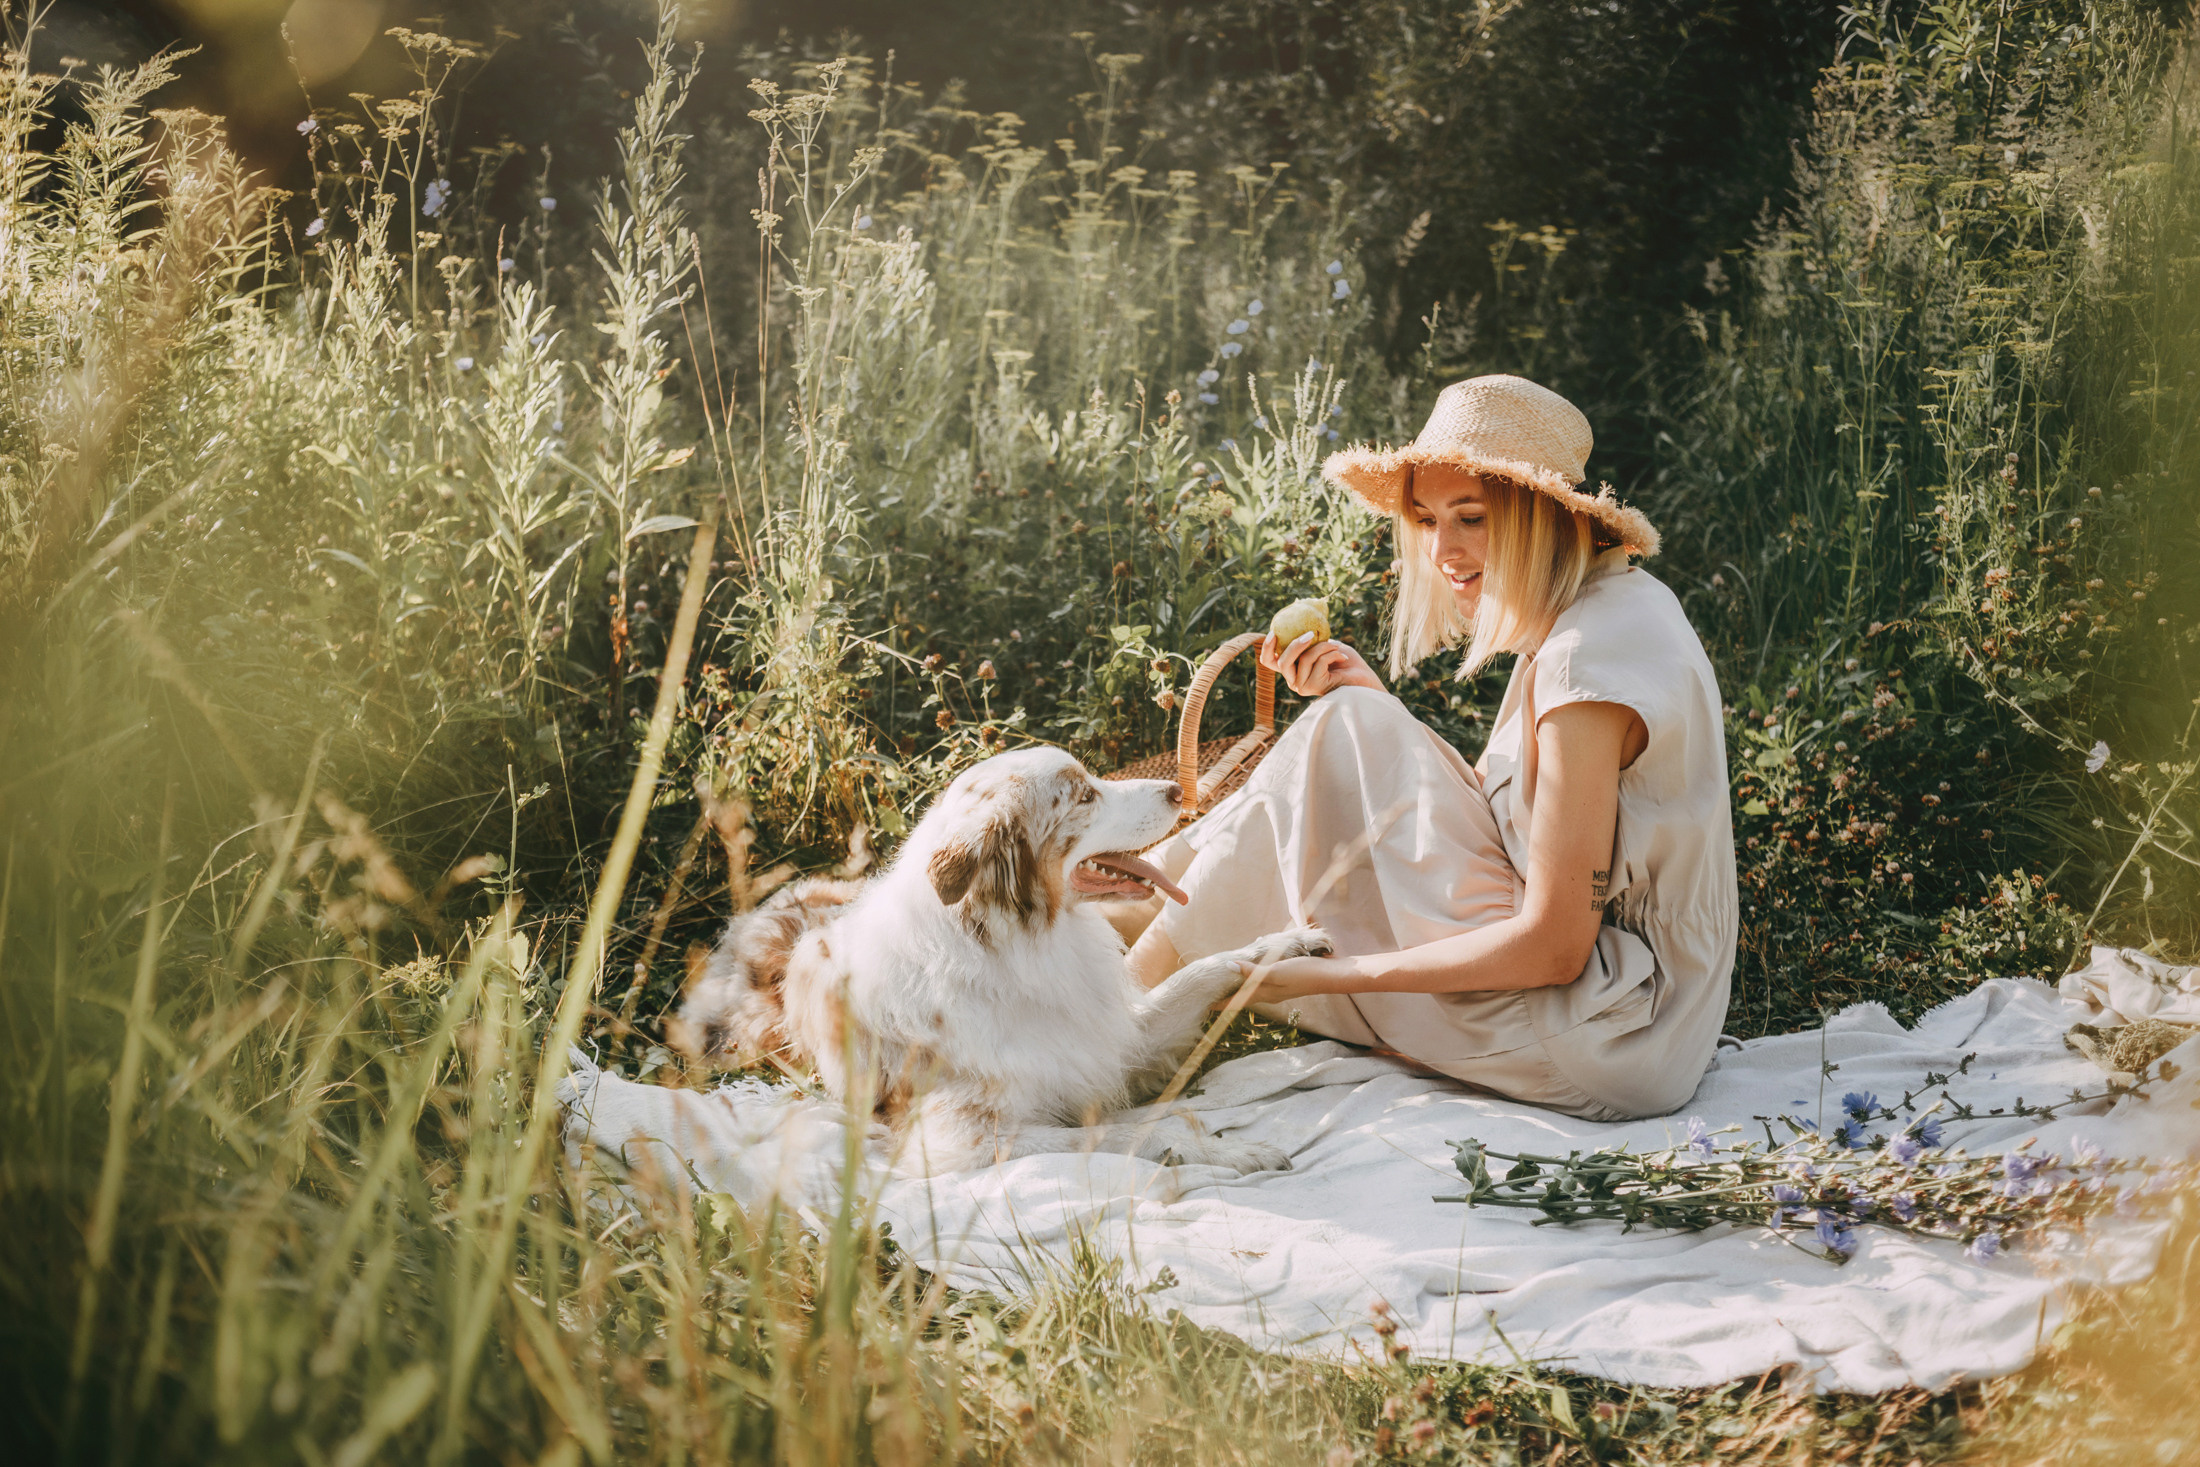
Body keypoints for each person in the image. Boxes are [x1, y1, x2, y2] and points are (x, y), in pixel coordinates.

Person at [1124, 374, 1736, 1120]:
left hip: (1608, 1027)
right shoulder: (1610, 607)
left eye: (1470, 517)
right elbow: (1508, 826)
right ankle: (1123, 917)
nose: (1443, 550)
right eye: (1425, 519)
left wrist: (1329, 976)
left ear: (1541, 513)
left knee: (1336, 740)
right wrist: (1376, 705)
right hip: (1625, 1012)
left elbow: (1555, 947)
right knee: (1347, 723)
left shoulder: (1587, 660)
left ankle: (1123, 994)